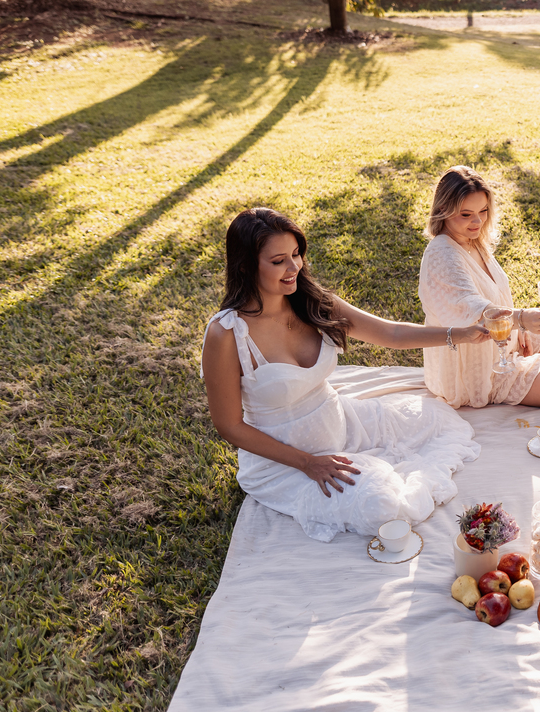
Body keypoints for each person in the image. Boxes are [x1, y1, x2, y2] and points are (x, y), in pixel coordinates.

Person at [201, 207, 489, 543]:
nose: (294, 267)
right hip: (286, 464)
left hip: (342, 422)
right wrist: (309, 463)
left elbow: (391, 334)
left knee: (438, 420)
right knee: (383, 506)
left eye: (296, 254)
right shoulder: (227, 334)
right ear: (245, 266)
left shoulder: (313, 303)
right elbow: (229, 426)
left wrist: (462, 333)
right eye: (278, 261)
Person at [418, 166, 540, 409]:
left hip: (500, 340)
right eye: (466, 214)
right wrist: (521, 319)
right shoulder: (442, 253)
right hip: (473, 369)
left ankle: (536, 358)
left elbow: (495, 298)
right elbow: (474, 313)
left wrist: (520, 329)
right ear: (443, 211)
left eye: (483, 211)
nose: (478, 221)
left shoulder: (473, 242)